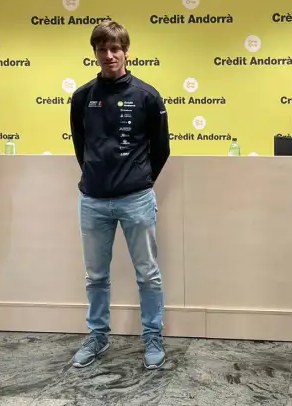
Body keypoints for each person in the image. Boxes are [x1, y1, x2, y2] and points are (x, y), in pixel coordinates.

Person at [69, 20, 170, 370]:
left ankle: (153, 336)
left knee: (148, 274)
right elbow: (82, 147)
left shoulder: (147, 96)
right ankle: (97, 336)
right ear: (95, 53)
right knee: (95, 276)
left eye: (115, 49)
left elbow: (161, 149)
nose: (109, 55)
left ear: (126, 51)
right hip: (93, 200)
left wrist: (138, 180)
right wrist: (98, 177)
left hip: (136, 199)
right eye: (102, 49)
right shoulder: (83, 97)